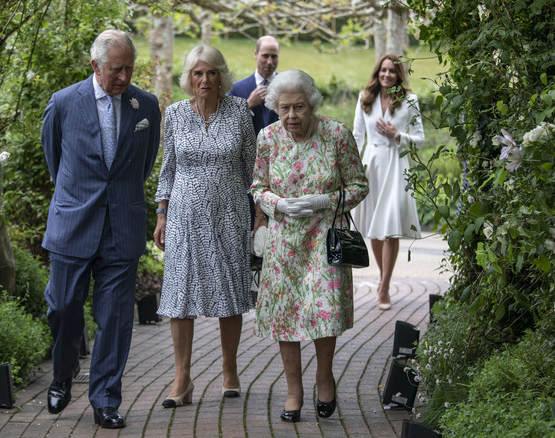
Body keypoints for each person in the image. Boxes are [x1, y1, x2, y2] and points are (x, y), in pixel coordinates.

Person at [40, 29, 161, 429]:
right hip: (73, 223)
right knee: (62, 307)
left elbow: (143, 166)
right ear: (95, 66)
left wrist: (119, 199)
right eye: (116, 69)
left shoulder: (146, 105)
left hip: (121, 227)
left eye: (129, 68)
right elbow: (55, 162)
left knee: (115, 319)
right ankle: (63, 373)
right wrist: (79, 198)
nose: (124, 77)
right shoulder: (62, 103)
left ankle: (106, 398)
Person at [250, 69, 369, 422]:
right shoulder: (268, 138)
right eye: (284, 108)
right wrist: (278, 204)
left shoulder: (336, 134)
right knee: (286, 315)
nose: (291, 117)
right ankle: (293, 390)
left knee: (324, 312)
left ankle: (324, 378)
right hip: (284, 243)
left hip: (324, 238)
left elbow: (359, 186)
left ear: (312, 104)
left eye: (299, 108)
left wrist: (324, 201)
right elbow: (257, 187)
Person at [153, 44, 256, 408]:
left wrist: (257, 213)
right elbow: (168, 168)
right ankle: (182, 377)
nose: (205, 79)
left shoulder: (240, 110)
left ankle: (230, 370)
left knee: (228, 290)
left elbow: (251, 168)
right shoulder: (176, 113)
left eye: (212, 72)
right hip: (183, 214)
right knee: (180, 294)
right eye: (198, 73)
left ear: (221, 76)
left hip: (229, 212)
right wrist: (161, 213)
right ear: (189, 78)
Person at [350, 53, 424, 310]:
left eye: (392, 71)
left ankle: (384, 286)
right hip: (372, 166)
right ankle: (383, 278)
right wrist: (350, 169)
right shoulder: (365, 99)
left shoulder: (410, 101)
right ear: (377, 72)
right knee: (374, 226)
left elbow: (420, 140)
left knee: (390, 226)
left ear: (399, 74)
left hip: (395, 166)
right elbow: (357, 138)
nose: (386, 75)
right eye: (383, 70)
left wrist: (397, 134)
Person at [229, 35, 281, 234]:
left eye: (274, 57)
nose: (269, 62)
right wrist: (247, 105)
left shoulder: (288, 86)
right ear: (256, 54)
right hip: (247, 171)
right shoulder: (237, 89)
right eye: (265, 56)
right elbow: (227, 128)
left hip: (280, 168)